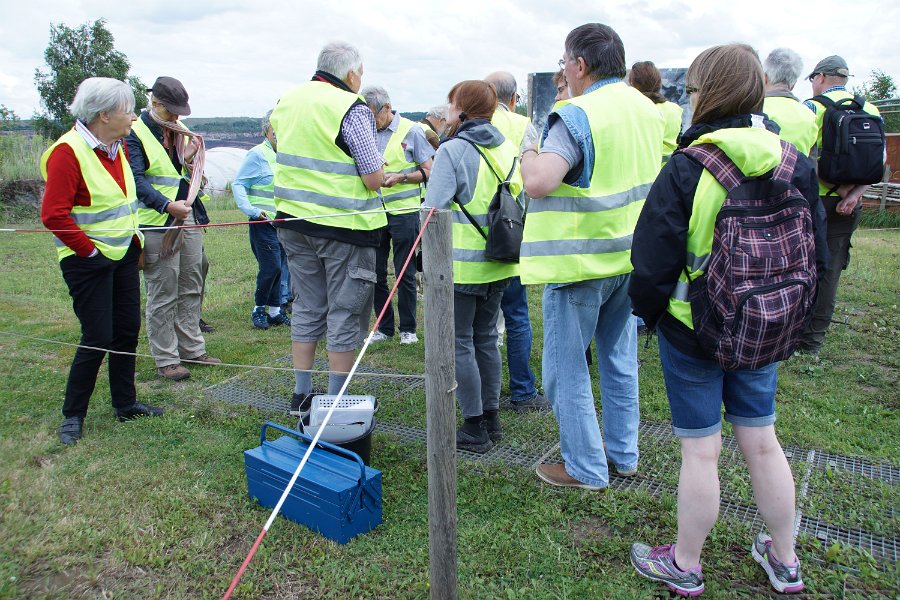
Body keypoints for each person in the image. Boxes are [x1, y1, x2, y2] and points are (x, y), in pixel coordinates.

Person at [628, 43, 827, 597]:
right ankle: (785, 560)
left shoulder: (690, 167)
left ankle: (686, 563)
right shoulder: (794, 161)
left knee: (701, 449)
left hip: (694, 330)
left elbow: (652, 263)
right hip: (767, 325)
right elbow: (817, 253)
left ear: (705, 94)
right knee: (762, 440)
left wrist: (649, 316)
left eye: (691, 90)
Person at [520, 23, 663, 490]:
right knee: (619, 360)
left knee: (566, 367)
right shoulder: (648, 110)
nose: (564, 69)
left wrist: (527, 155)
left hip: (581, 262)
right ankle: (624, 454)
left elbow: (540, 180)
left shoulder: (576, 113)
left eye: (564, 62)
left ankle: (583, 466)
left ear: (580, 65)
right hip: (630, 258)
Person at [40, 77, 164, 445]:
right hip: (87, 260)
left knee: (126, 330)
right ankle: (73, 415)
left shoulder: (118, 145)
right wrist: (90, 252)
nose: (133, 117)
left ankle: (125, 403)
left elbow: (123, 203)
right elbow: (54, 215)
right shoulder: (67, 152)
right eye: (127, 110)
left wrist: (135, 243)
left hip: (124, 253)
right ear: (104, 114)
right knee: (97, 336)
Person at [269, 41, 386, 418]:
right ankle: (335, 403)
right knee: (345, 312)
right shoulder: (351, 107)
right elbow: (373, 176)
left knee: (307, 306)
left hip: (293, 222)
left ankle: (301, 394)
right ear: (352, 75)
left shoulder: (287, 100)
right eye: (361, 74)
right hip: (344, 228)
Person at [423, 80, 520, 452]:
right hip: (499, 261)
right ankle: (491, 419)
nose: (446, 112)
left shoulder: (454, 150)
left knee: (460, 342)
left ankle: (474, 426)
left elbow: (433, 208)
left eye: (449, 105)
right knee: (486, 340)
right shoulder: (507, 147)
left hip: (461, 267)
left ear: (461, 110)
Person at [127, 76, 221, 382]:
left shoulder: (179, 133)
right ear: (154, 103)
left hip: (186, 216)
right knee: (163, 291)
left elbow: (175, 172)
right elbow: (136, 180)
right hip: (156, 223)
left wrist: (191, 162)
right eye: (171, 111)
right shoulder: (134, 133)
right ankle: (166, 358)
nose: (177, 118)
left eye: (180, 112)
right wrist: (167, 206)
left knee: (191, 283)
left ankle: (192, 348)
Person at [797, 55, 882, 357]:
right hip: (847, 206)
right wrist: (853, 193)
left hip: (814, 201)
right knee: (830, 271)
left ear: (820, 77)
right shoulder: (869, 109)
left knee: (801, 265)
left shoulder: (812, 108)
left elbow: (802, 156)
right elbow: (879, 162)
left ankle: (792, 332)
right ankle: (812, 342)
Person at [483, 71, 549, 412]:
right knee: (517, 313)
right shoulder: (524, 127)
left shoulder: (469, 123)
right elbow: (532, 179)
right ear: (514, 98)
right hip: (510, 228)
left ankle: (484, 392)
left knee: (482, 321)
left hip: (473, 232)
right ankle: (523, 391)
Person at [362, 86, 434, 345]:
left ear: (387, 108)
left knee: (404, 271)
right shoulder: (367, 132)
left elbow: (429, 170)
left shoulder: (412, 131)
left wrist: (402, 177)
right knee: (376, 272)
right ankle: (383, 327)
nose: (371, 121)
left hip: (404, 213)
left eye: (374, 115)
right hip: (374, 215)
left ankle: (408, 329)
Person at [231, 109, 291, 330]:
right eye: (277, 127)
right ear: (267, 130)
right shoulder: (257, 154)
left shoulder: (285, 155)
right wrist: (251, 210)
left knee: (280, 266)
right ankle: (258, 308)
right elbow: (239, 184)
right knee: (271, 267)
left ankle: (275, 311)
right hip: (262, 222)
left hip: (282, 222)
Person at [762, 48, 817, 156]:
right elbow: (812, 161)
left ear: (765, 78)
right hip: (798, 171)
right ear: (793, 84)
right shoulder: (810, 116)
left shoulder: (754, 110)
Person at [629, 60, 683, 165]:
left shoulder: (632, 110)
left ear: (633, 83)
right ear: (658, 82)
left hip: (643, 174)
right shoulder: (674, 109)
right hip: (669, 171)